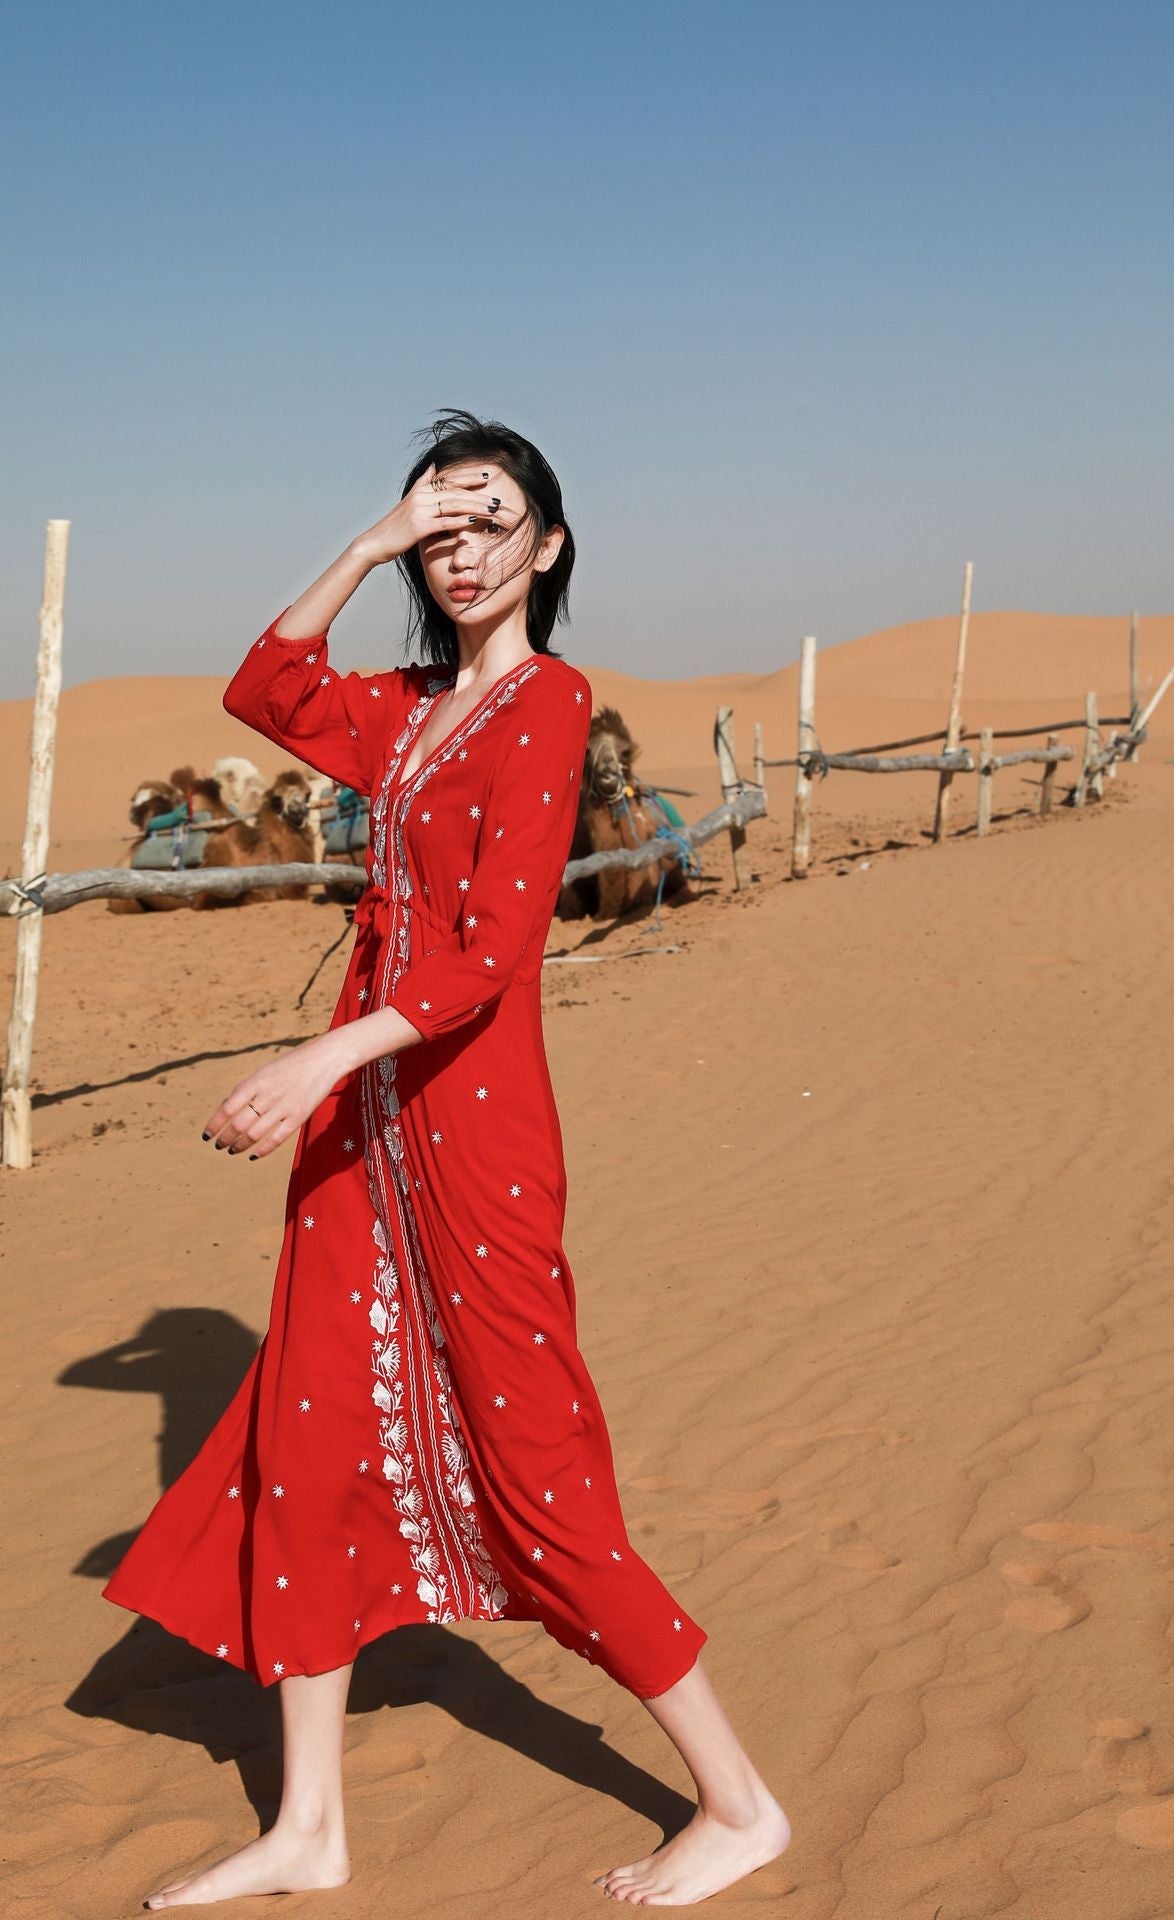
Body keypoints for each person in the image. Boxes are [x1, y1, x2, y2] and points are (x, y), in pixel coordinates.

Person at [104, 410, 790, 1908]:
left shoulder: (548, 703)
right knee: (305, 1448)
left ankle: (740, 1803)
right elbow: (263, 685)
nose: (463, 552)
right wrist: (367, 543)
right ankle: (311, 1827)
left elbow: (489, 956)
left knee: (539, 1473)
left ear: (549, 544)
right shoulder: (409, 710)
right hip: (364, 1130)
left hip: (468, 1127)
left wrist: (317, 1059)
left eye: (491, 521)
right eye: (441, 527)